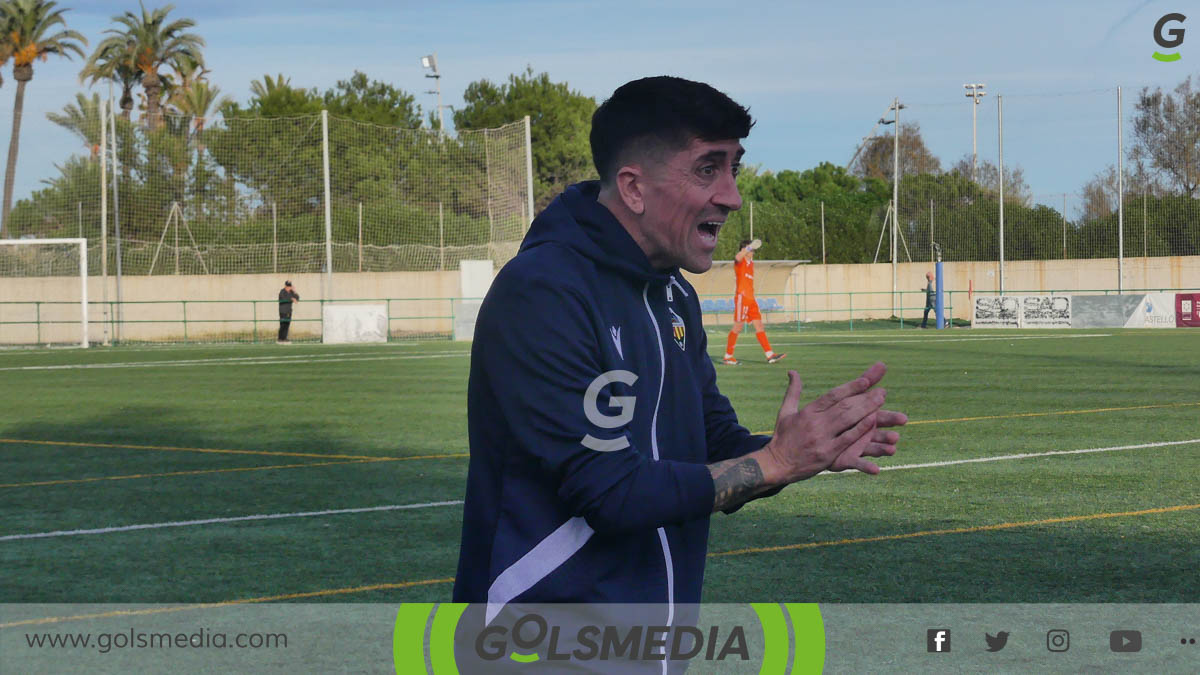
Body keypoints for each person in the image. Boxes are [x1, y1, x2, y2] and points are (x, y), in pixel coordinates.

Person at [454, 77, 906, 615]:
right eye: (707, 168)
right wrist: (777, 460)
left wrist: (805, 448)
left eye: (734, 167)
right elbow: (609, 492)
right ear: (634, 188)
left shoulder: (673, 294)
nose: (733, 196)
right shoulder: (546, 291)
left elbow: (710, 442)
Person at [722, 238, 785, 365]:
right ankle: (728, 357)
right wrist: (747, 248)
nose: (753, 252)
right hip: (742, 298)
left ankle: (770, 355)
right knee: (738, 327)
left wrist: (750, 249)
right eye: (751, 250)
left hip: (751, 300)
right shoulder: (740, 262)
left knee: (759, 326)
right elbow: (738, 257)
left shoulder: (751, 264)